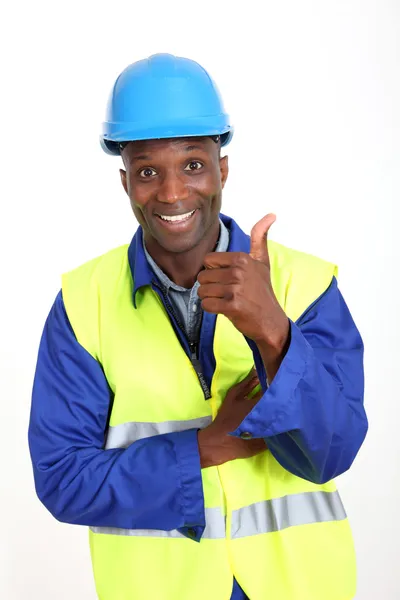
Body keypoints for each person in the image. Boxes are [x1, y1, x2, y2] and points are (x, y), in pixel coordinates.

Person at [28, 53, 368, 600]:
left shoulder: (304, 284)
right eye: (147, 172)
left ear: (222, 169)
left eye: (192, 164)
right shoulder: (81, 304)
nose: (171, 193)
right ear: (125, 182)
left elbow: (334, 451)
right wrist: (203, 447)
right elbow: (63, 480)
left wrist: (274, 333)